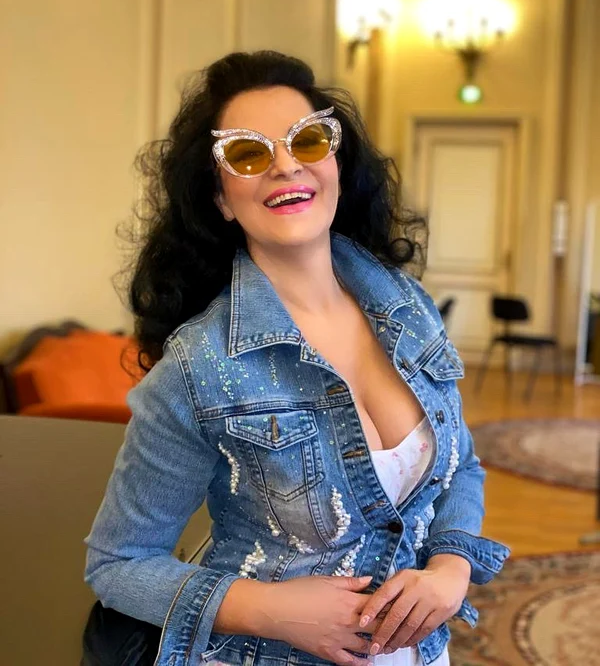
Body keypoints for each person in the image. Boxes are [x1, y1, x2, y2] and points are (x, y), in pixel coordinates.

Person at [83, 50, 510, 666]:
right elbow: (118, 563)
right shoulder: (197, 366)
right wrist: (268, 609)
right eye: (248, 153)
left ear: (336, 165)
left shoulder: (407, 307)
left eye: (307, 140)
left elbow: (461, 464)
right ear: (221, 197)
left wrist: (450, 565)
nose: (285, 165)